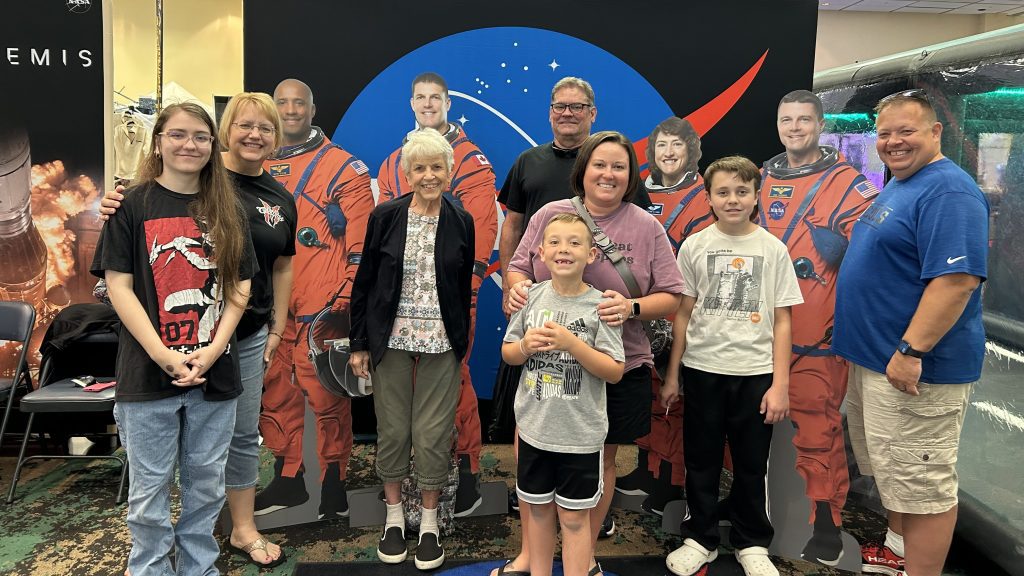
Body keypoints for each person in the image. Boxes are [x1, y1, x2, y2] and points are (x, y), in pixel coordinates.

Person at [99, 93, 297, 568]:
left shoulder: (249, 203)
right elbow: (118, 284)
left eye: (198, 136)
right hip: (151, 362)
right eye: (178, 135)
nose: (190, 145)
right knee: (150, 482)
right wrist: (165, 354)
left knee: (213, 467)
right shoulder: (133, 202)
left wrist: (235, 341)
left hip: (227, 353)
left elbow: (256, 277)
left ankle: (208, 555)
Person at [503, 131, 684, 576]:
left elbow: (674, 296)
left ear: (631, 176)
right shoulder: (550, 214)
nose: (608, 174)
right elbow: (517, 269)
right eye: (599, 164)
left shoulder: (646, 226)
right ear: (582, 171)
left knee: (599, 461)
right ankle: (532, 555)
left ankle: (582, 560)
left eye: (619, 167)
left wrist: (632, 307)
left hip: (620, 363)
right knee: (534, 451)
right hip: (546, 367)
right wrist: (515, 289)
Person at [833, 90, 988, 576]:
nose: (894, 142)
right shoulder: (904, 184)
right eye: (885, 133)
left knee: (923, 487)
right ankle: (898, 553)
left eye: (907, 131)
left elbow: (956, 280)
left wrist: (909, 349)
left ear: (936, 132)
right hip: (877, 363)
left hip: (913, 371)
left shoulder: (950, 192)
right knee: (897, 475)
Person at [662, 156, 802, 576]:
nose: (733, 199)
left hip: (755, 374)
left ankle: (751, 541)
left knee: (750, 462)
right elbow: (682, 314)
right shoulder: (695, 246)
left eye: (742, 191)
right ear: (708, 198)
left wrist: (780, 385)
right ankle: (701, 537)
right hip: (703, 370)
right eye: (723, 192)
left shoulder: (773, 249)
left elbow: (782, 319)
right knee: (701, 459)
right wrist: (673, 375)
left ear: (757, 195)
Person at [759, 89, 878, 565]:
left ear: (819, 123)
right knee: (750, 431)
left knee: (818, 432)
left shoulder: (849, 183)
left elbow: (871, 255)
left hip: (816, 334)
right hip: (758, 332)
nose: (794, 128)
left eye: (803, 120)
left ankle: (826, 528)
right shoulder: (760, 178)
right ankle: (754, 514)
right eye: (786, 120)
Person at [349, 128, 475, 571]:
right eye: (419, 167)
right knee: (394, 432)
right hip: (390, 339)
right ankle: (394, 519)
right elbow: (364, 281)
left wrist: (461, 340)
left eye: (436, 167)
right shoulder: (385, 216)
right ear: (405, 172)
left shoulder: (462, 220)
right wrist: (360, 343)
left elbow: (461, 287)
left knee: (432, 435)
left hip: (442, 342)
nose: (428, 175)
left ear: (449, 170)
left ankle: (427, 525)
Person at [376, 72, 499, 515]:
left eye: (436, 98)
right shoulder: (396, 159)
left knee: (454, 386)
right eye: (420, 98)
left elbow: (482, 224)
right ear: (411, 104)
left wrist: (467, 286)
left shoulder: (469, 159)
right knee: (398, 401)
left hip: (449, 294)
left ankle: (465, 471)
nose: (428, 104)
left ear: (448, 102)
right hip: (400, 302)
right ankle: (405, 482)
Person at [255, 78, 376, 519]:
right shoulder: (253, 164)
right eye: (281, 102)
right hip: (269, 308)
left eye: (298, 103)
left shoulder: (344, 168)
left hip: (319, 307)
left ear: (312, 108)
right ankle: (288, 478)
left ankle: (332, 483)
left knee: (325, 399)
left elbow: (363, 245)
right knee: (277, 396)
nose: (290, 110)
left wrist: (344, 298)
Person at [502, 213, 625, 576]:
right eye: (554, 242)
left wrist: (572, 344)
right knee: (537, 512)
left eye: (574, 242)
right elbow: (509, 353)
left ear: (592, 255)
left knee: (574, 520)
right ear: (540, 252)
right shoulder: (530, 296)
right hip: (534, 431)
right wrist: (525, 345)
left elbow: (615, 370)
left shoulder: (601, 305)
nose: (563, 249)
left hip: (580, 438)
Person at [617, 116, 712, 515]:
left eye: (677, 145)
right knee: (650, 393)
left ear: (691, 150)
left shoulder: (703, 195)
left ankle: (670, 484)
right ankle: (646, 468)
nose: (669, 153)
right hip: (642, 306)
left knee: (674, 399)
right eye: (661, 146)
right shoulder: (638, 192)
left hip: (678, 304)